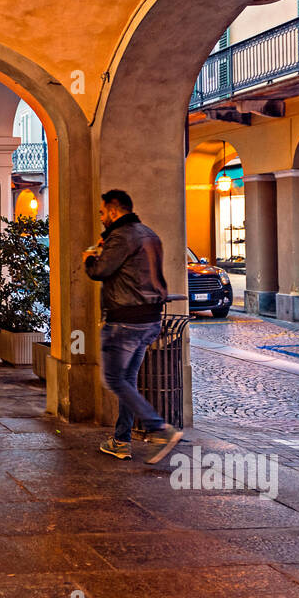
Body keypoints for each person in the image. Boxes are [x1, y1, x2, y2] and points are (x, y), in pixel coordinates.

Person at [83, 188, 182, 463]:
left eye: (102, 212)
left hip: (125, 320)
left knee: (115, 379)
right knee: (127, 381)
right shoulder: (149, 234)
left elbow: (100, 270)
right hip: (150, 319)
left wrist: (89, 258)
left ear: (114, 211)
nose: (101, 217)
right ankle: (121, 440)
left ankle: (158, 428)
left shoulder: (121, 236)